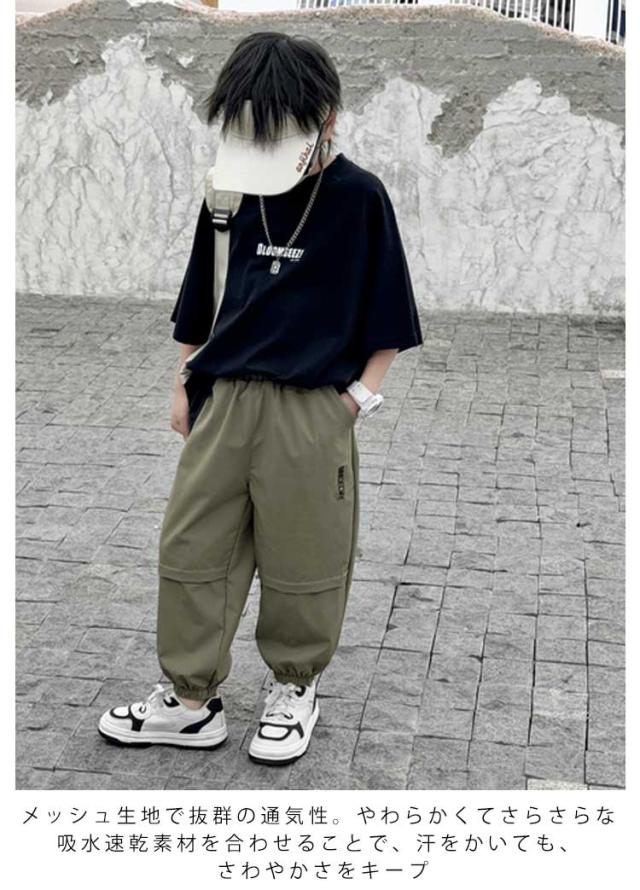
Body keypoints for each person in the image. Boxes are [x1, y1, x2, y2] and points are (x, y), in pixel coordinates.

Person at [98, 31, 423, 766]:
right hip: (224, 401)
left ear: (326, 116)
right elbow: (201, 296)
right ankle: (189, 702)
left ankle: (293, 688)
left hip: (311, 410)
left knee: (305, 557)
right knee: (192, 549)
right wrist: (185, 380)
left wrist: (354, 402)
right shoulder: (229, 190)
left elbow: (390, 318)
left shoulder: (359, 198)